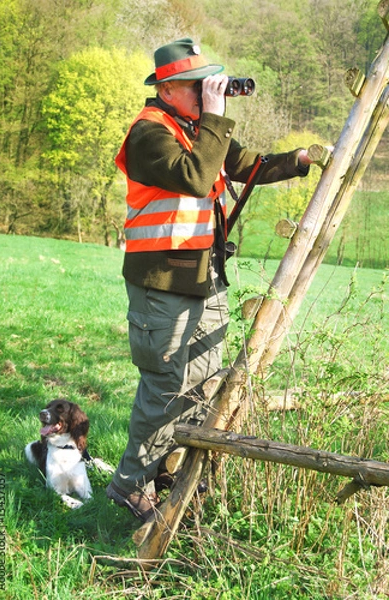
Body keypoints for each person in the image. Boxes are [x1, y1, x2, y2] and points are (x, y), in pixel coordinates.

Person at [106, 38, 316, 522]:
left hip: (205, 277)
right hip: (161, 282)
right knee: (163, 386)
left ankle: (169, 472)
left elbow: (245, 165)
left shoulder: (197, 127)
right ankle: (129, 483)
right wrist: (216, 115)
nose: (207, 93)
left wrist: (300, 159)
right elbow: (199, 176)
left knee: (201, 384)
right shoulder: (148, 135)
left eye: (210, 85)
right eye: (199, 86)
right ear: (170, 88)